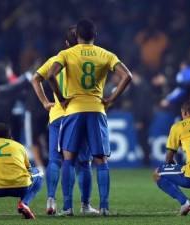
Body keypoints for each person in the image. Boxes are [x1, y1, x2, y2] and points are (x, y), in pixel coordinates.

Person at [47, 19, 132, 216]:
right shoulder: (105, 54)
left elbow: (51, 75)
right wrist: (111, 99)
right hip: (96, 109)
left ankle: (67, 208)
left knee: (68, 159)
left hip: (74, 110)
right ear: (95, 35)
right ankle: (104, 207)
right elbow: (127, 76)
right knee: (100, 160)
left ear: (77, 36)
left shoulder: (66, 54)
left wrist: (61, 99)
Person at [31, 25, 98, 215]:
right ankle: (85, 206)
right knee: (84, 163)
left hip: (58, 117)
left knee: (55, 160)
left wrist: (45, 102)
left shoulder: (55, 59)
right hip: (81, 115)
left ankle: (51, 200)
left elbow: (35, 79)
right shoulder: (88, 58)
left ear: (66, 43)